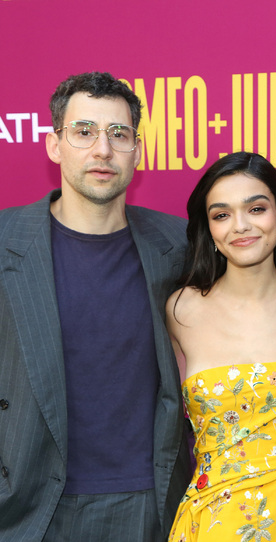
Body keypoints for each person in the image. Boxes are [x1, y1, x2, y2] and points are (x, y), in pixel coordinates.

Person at [0, 72, 191, 541]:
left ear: (137, 151)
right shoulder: (5, 241)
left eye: (118, 134)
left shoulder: (180, 244)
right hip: (29, 508)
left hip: (149, 503)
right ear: (53, 144)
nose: (102, 150)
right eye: (84, 132)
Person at [166, 151, 276, 542]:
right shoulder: (179, 310)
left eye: (255, 208)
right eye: (221, 215)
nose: (240, 226)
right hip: (210, 521)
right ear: (208, 229)